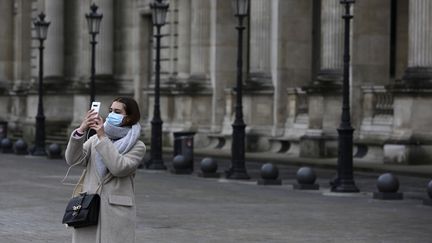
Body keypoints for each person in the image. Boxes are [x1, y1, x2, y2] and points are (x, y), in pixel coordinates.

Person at [65, 97, 146, 243]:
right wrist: (81, 130)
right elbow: (73, 160)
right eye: (110, 111)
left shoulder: (137, 146)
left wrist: (103, 137)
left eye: (117, 111)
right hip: (88, 207)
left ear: (128, 117)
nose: (111, 115)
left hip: (116, 210)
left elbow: (119, 168)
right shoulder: (94, 140)